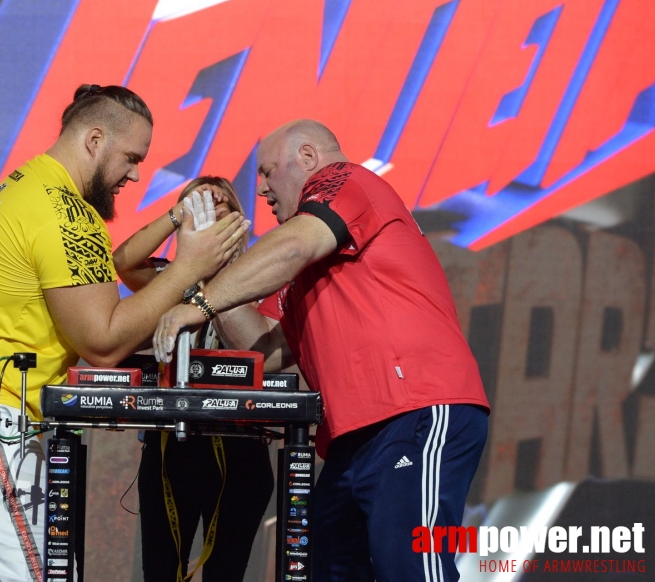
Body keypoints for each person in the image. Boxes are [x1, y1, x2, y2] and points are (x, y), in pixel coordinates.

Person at [0, 84, 249, 582]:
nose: (136, 173)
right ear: (94, 139)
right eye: (131, 157)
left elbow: (104, 276)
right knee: (44, 575)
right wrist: (188, 266)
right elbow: (102, 342)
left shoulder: (21, 187)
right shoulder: (67, 213)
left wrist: (176, 219)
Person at [152, 119, 490, 581]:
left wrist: (199, 305)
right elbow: (264, 350)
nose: (264, 190)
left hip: (415, 411)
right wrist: (209, 271)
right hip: (354, 436)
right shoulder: (307, 262)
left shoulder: (345, 182)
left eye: (269, 172)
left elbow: (292, 245)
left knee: (411, 571)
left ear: (308, 158)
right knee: (325, 569)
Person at [113, 176, 274, 582]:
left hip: (241, 449)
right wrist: (176, 215)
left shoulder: (267, 282)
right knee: (161, 572)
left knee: (226, 573)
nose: (210, 221)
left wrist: (217, 279)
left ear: (240, 223)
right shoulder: (170, 282)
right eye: (199, 213)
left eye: (221, 213)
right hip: (172, 447)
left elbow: (267, 353)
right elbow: (123, 261)